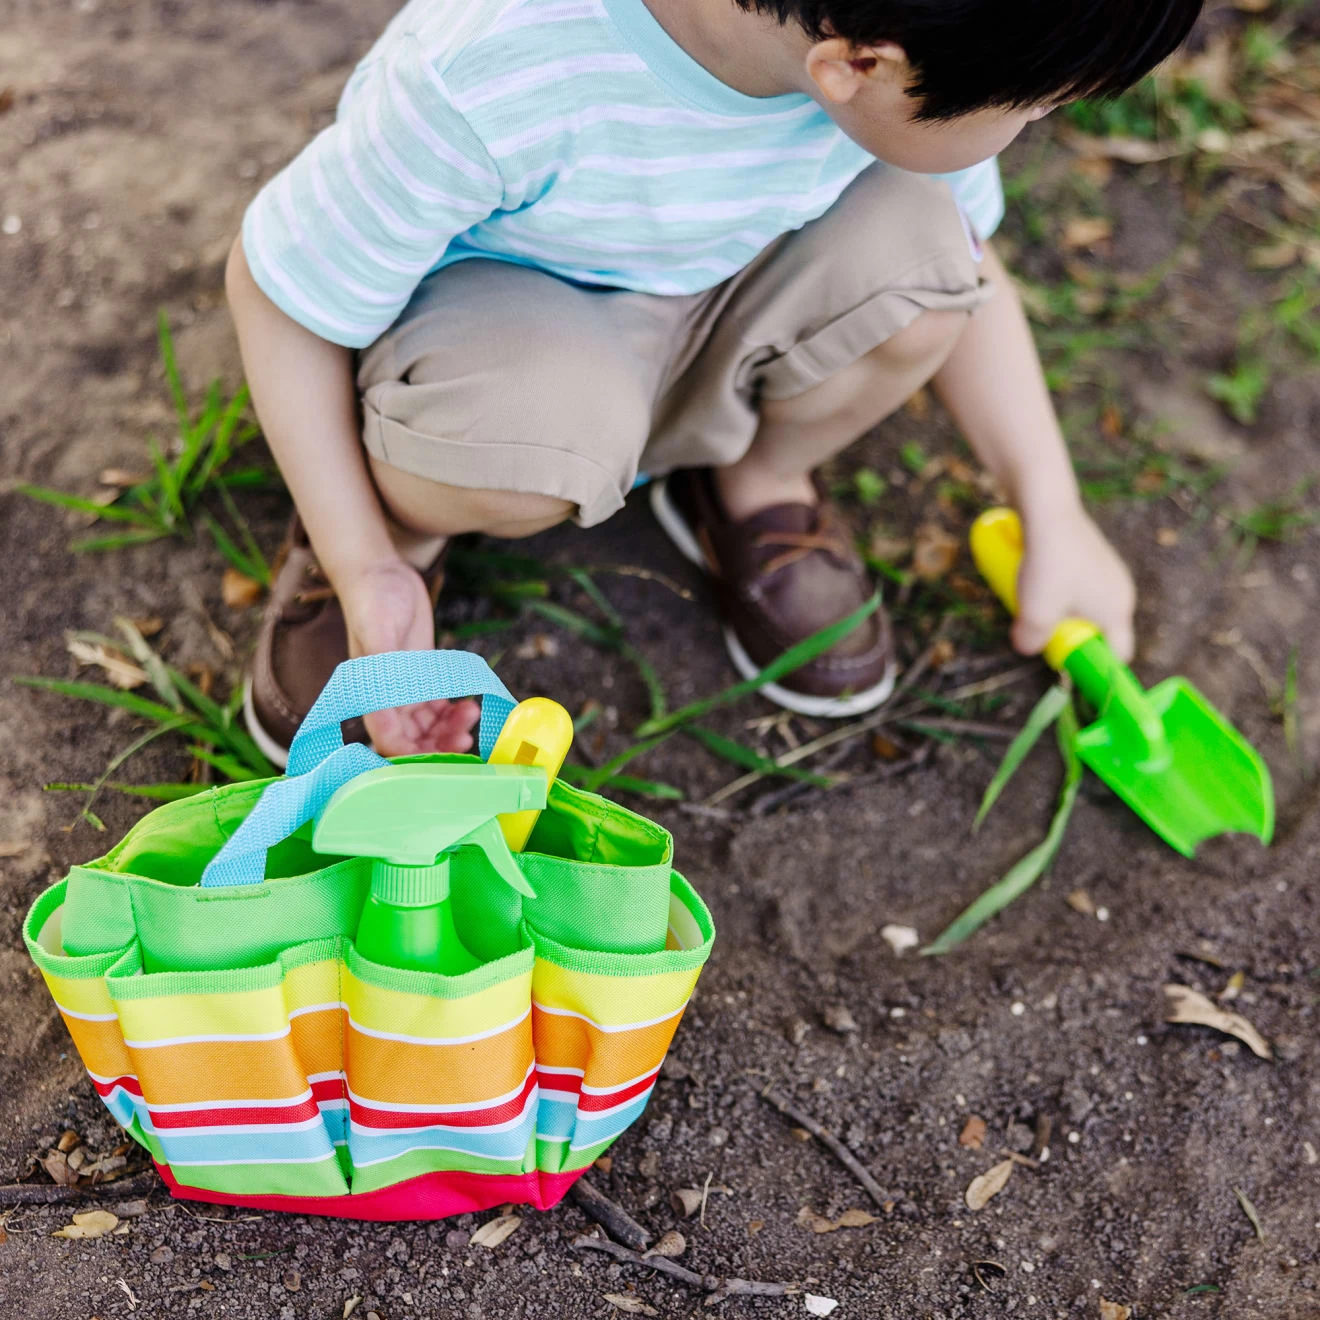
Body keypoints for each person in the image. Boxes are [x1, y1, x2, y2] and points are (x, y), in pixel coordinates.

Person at [227, 0, 1200, 764]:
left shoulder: (863, 50)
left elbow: (969, 267)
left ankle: (754, 481)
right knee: (530, 436)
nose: (1033, 127)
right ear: (860, 66)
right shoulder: (499, 68)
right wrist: (367, 566)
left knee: (931, 260)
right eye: (1033, 109)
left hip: (724, 294)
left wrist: (1051, 508)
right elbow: (280, 291)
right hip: (510, 336)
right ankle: (397, 528)